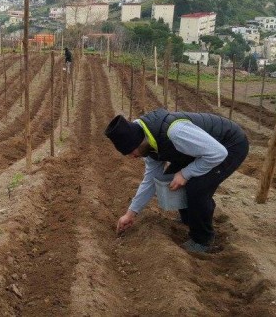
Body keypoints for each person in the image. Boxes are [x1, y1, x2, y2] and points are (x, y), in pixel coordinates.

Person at [104, 108, 249, 253]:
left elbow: (218, 153)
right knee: (173, 177)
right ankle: (189, 219)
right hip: (202, 149)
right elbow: (150, 181)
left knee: (197, 187)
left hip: (229, 145)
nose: (132, 156)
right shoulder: (149, 145)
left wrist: (186, 173)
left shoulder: (176, 132)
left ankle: (202, 240)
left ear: (138, 141)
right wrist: (130, 214)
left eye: (131, 151)